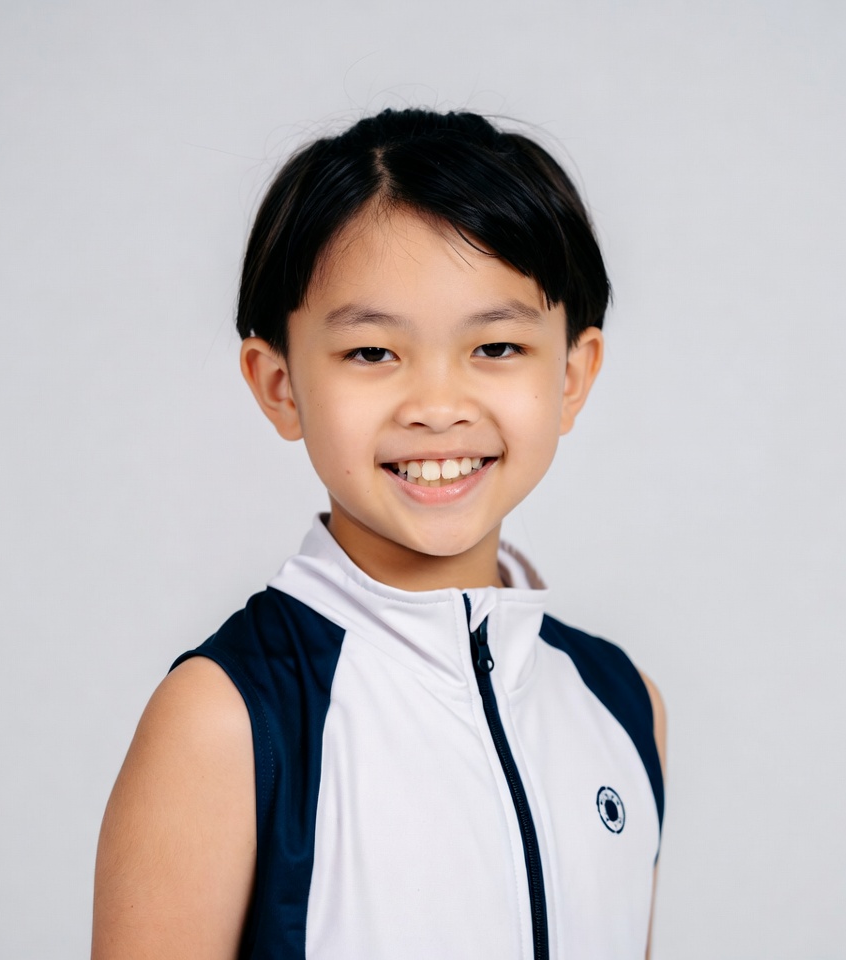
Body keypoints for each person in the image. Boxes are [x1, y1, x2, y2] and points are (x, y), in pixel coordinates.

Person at [91, 107, 667, 960]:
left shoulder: (620, 702)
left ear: (574, 376)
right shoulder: (228, 719)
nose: (437, 406)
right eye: (372, 354)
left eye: (498, 347)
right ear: (279, 384)